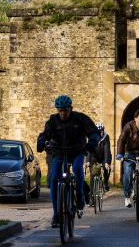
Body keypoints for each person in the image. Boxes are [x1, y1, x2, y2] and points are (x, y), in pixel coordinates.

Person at [37, 95, 100, 228]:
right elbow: (45, 134)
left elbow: (94, 132)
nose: (63, 113)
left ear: (70, 109)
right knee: (54, 179)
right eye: (60, 110)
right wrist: (41, 142)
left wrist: (92, 142)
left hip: (77, 151)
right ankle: (56, 214)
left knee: (77, 168)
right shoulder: (53, 121)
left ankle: (80, 196)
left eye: (65, 110)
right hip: (59, 152)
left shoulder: (80, 118)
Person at [85, 122, 112, 207]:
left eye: (101, 131)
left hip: (104, 157)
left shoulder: (105, 137)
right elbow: (89, 150)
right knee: (93, 176)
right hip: (94, 158)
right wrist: (88, 161)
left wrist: (107, 162)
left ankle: (105, 183)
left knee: (107, 168)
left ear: (103, 131)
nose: (100, 133)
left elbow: (107, 150)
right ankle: (92, 199)